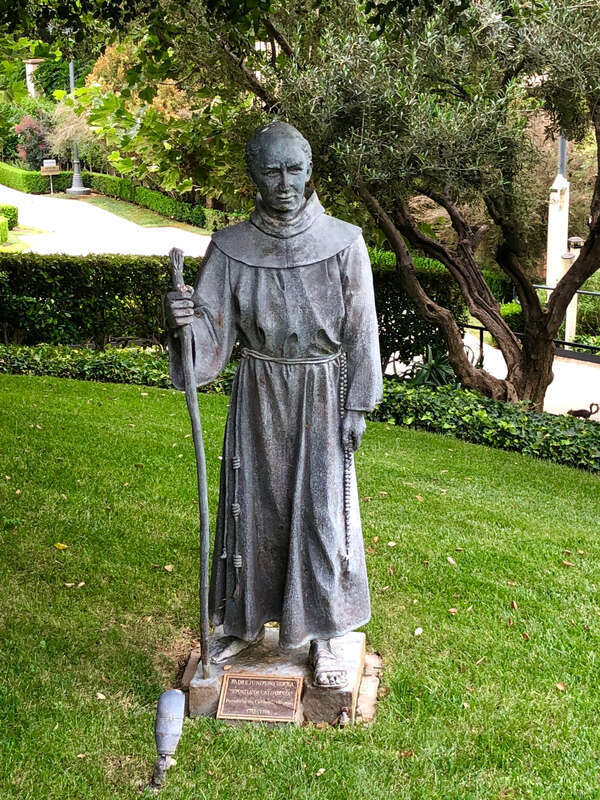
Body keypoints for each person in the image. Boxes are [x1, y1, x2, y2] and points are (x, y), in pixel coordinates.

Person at [167, 121, 382, 687]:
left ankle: (326, 631)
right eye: (271, 170)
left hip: (322, 392)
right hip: (258, 391)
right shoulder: (231, 247)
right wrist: (184, 326)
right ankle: (241, 621)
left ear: (309, 170)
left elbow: (362, 330)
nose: (284, 182)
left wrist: (357, 404)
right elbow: (210, 340)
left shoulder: (343, 241)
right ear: (253, 176)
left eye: (294, 169)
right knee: (252, 505)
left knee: (321, 515)